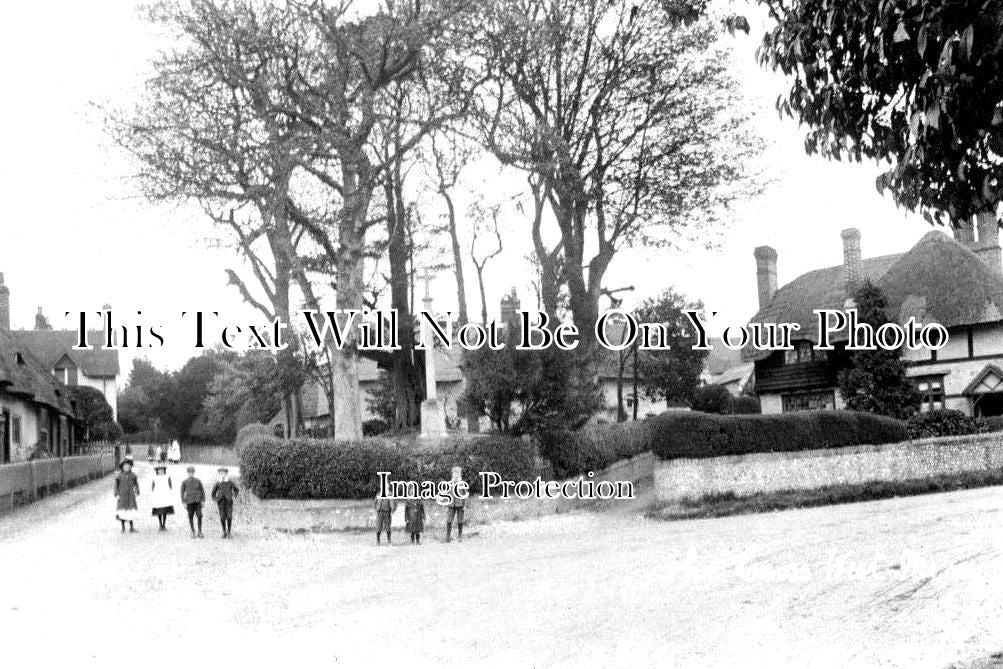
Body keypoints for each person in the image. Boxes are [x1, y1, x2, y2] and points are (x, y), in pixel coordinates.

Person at [211, 468, 239, 538]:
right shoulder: (218, 483)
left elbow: (236, 489)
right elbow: (213, 493)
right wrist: (214, 499)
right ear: (219, 475)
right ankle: (224, 531)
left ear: (226, 474)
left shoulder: (230, 482)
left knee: (229, 517)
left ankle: (229, 532)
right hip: (220, 502)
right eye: (221, 473)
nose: (223, 475)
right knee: (222, 517)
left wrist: (234, 496)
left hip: (229, 502)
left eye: (224, 473)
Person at [114, 459, 140, 533]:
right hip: (122, 495)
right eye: (125, 466)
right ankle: (123, 528)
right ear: (122, 467)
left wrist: (137, 491)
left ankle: (132, 527)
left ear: (130, 467)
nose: (126, 468)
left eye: (128, 467)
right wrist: (117, 494)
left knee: (130, 511)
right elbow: (116, 485)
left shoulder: (133, 475)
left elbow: (136, 484)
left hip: (131, 496)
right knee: (122, 512)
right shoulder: (119, 476)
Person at [180, 465, 206, 539]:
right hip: (189, 502)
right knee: (190, 516)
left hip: (198, 502)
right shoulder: (184, 482)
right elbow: (182, 493)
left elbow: (202, 491)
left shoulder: (198, 481)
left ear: (194, 473)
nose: (190, 474)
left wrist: (203, 500)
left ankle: (200, 531)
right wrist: (184, 502)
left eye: (192, 472)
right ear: (187, 473)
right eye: (189, 473)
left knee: (199, 516)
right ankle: (192, 531)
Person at [149, 464, 176, 531]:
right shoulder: (155, 477)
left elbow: (170, 486)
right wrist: (155, 494)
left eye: (162, 470)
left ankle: (164, 524)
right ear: (157, 471)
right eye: (159, 470)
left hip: (165, 496)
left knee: (164, 510)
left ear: (164, 470)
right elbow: (152, 487)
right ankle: (160, 524)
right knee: (159, 510)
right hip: (158, 496)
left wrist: (168, 493)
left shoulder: (167, 477)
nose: (161, 471)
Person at [445, 466, 466, 543]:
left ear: (460, 474)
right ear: (452, 474)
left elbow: (465, 494)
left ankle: (460, 535)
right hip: (451, 505)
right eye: (454, 473)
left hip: (460, 504)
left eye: (457, 473)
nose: (456, 475)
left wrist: (464, 505)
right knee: (449, 520)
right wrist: (446, 505)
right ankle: (448, 536)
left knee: (460, 520)